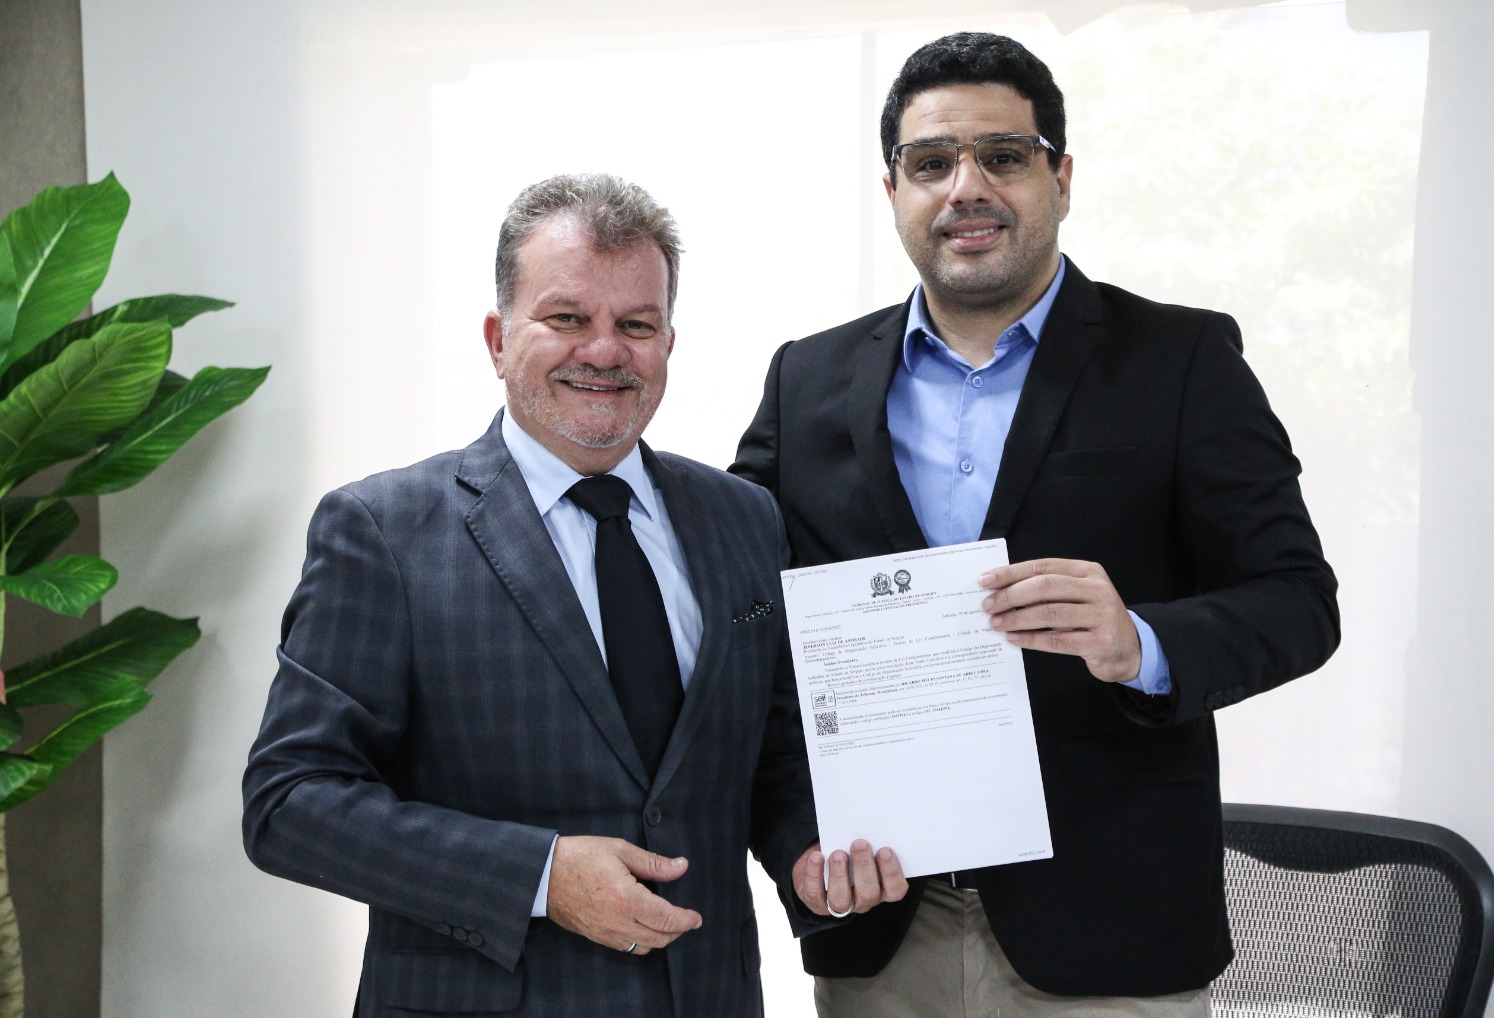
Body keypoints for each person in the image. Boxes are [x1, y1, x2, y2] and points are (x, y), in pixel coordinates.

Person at [731, 32, 1339, 1018]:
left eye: (1003, 156)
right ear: (893, 191)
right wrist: (796, 833)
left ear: (1060, 177)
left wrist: (1138, 641)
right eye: (931, 162)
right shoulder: (806, 379)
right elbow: (747, 635)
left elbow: (1298, 603)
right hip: (884, 931)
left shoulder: (1181, 360)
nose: (965, 186)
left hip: (1111, 931)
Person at [243, 173, 905, 1017]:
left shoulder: (743, 518)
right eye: (565, 318)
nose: (604, 351)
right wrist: (540, 876)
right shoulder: (384, 530)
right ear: (497, 340)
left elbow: (772, 754)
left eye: (636, 325)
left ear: (669, 342)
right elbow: (290, 802)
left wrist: (807, 847)